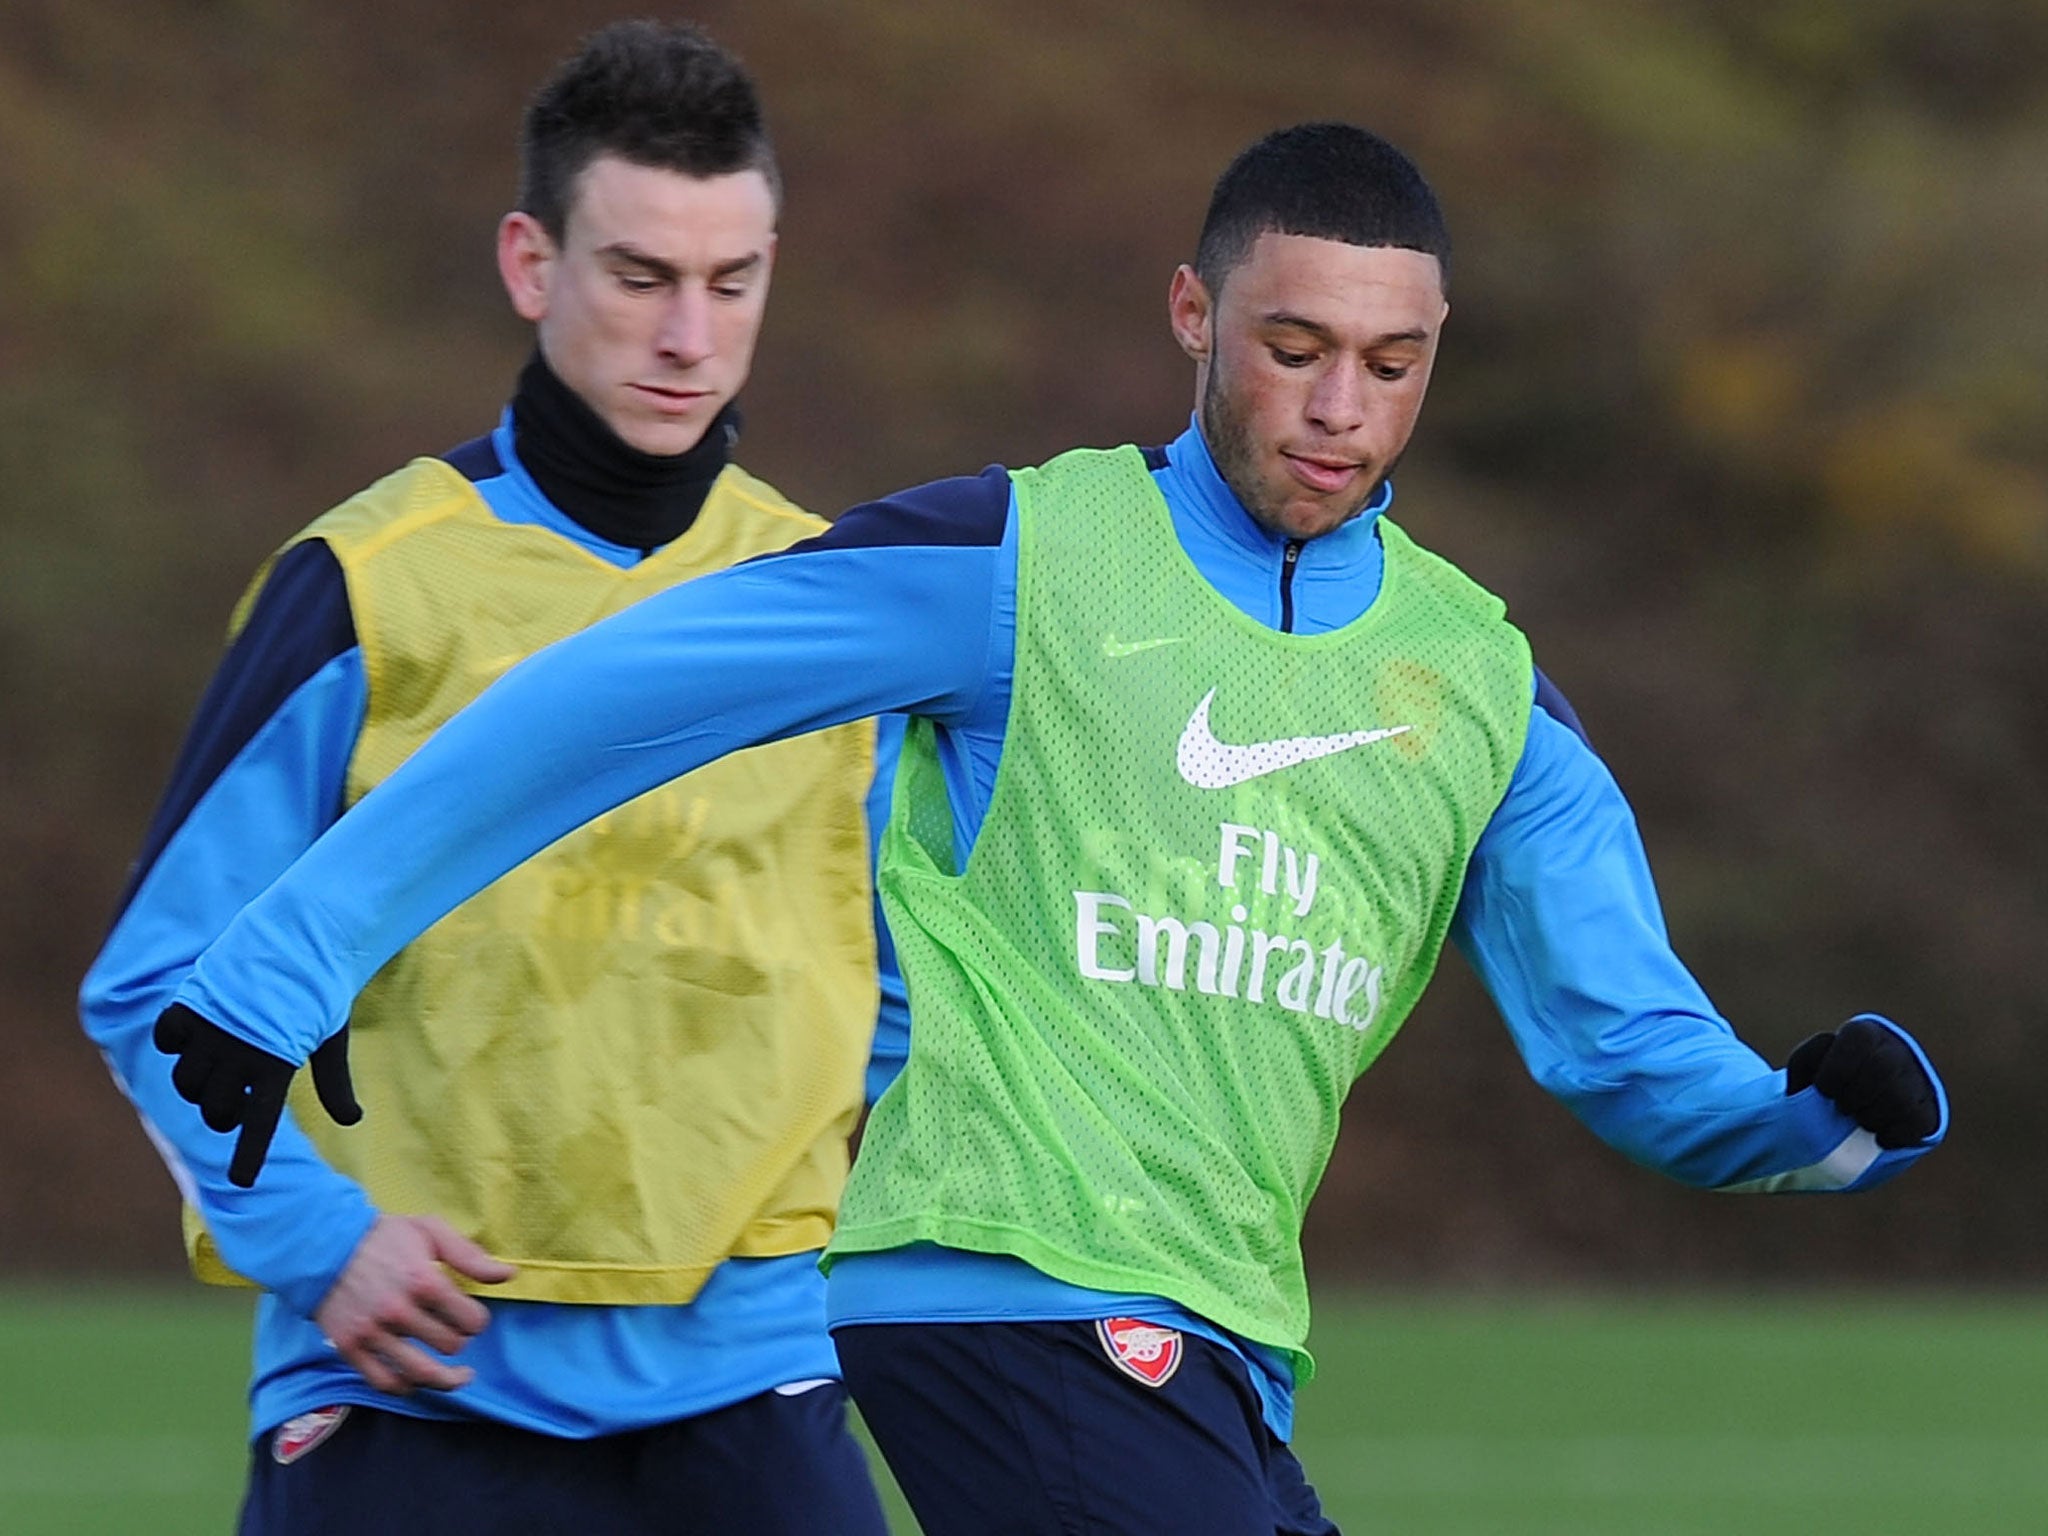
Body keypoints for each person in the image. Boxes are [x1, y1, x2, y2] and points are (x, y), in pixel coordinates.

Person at [146, 123, 1947, 1536]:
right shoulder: (1018, 560)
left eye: (1389, 364)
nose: (1339, 411)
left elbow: (1620, 1032)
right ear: (1194, 317)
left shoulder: (1480, 685)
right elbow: (619, 697)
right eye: (1295, 349)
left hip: (1227, 1340)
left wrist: (1806, 1128)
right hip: (995, 1290)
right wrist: (289, 956)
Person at [80, 20, 901, 1536]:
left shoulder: (836, 603)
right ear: (533, 264)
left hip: (755, 1370)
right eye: (640, 277)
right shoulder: (367, 588)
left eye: (732, 282)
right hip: (411, 1372)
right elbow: (158, 981)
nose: (690, 336)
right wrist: (319, 1242)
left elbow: (905, 987)